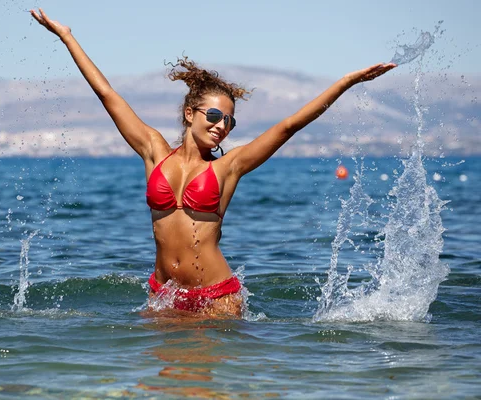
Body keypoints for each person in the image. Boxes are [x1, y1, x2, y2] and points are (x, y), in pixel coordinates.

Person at [30, 8, 396, 318]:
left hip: (216, 298)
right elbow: (107, 94)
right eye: (215, 115)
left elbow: (289, 126)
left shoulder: (227, 167)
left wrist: (347, 82)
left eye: (230, 121)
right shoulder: (154, 150)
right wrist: (66, 37)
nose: (222, 126)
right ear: (190, 113)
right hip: (164, 294)